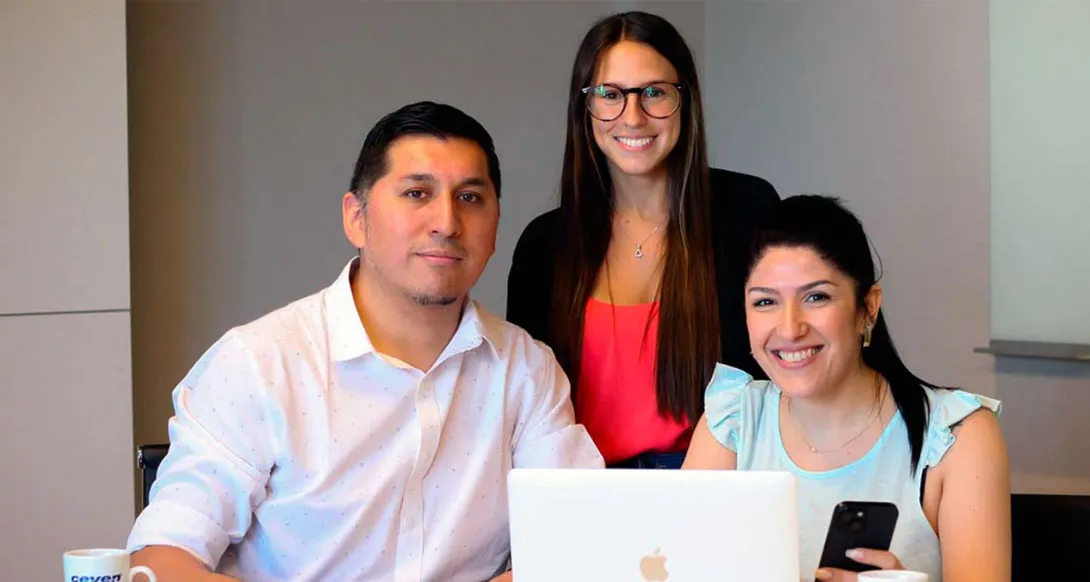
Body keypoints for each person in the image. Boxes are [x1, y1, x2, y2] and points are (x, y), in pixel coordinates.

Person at [127, 101, 604, 582]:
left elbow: (580, 544)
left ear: (495, 225)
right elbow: (161, 561)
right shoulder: (257, 364)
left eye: (470, 198)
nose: (446, 222)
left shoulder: (527, 371)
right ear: (356, 217)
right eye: (417, 193)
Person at [682, 195, 1011, 582]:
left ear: (867, 309)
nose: (789, 328)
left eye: (816, 297)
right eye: (765, 301)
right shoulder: (732, 423)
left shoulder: (958, 437)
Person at [506, 11, 780, 470]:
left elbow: (783, 366)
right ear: (585, 108)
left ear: (685, 101)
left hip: (718, 486)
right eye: (610, 95)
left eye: (654, 92)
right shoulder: (544, 244)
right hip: (586, 495)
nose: (633, 117)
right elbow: (528, 406)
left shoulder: (747, 209)